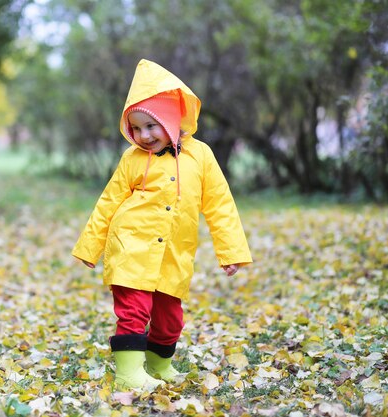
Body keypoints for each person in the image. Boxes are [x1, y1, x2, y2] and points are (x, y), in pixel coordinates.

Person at [72, 59, 252, 391]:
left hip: (173, 254)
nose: (142, 136)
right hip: (131, 247)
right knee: (134, 312)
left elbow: (220, 204)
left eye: (150, 126)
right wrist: (90, 247)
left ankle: (157, 366)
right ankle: (128, 374)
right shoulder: (132, 159)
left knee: (170, 321)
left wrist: (232, 252)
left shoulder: (201, 156)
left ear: (170, 118)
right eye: (136, 128)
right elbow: (108, 202)